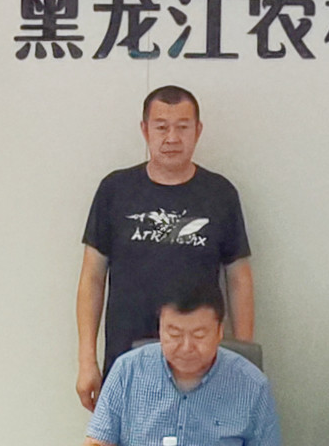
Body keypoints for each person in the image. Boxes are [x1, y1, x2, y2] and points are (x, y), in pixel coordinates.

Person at [76, 85, 254, 410]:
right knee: (125, 444)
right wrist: (87, 360)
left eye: (182, 127)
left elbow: (239, 279)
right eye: (161, 127)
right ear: (145, 130)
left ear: (198, 131)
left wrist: (243, 359)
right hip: (126, 360)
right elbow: (92, 277)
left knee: (204, 439)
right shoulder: (115, 190)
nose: (172, 138)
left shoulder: (220, 194)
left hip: (201, 363)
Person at [79, 280, 281, 446]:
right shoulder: (127, 370)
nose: (186, 347)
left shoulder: (251, 383)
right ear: (160, 329)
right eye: (174, 334)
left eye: (199, 335)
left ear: (220, 331)